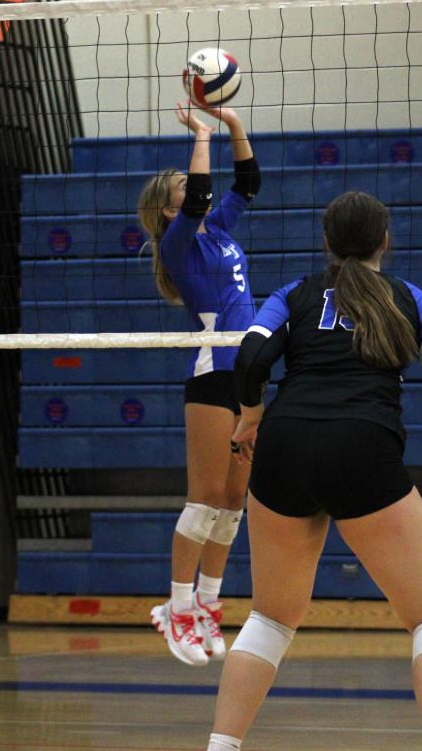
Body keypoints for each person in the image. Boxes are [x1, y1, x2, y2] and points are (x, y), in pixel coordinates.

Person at [205, 191, 422, 751]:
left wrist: (249, 419)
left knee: (269, 618)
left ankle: (221, 746)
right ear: (385, 241)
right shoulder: (412, 300)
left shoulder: (296, 294)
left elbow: (250, 360)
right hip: (362, 446)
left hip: (284, 444)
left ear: (326, 241)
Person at [138, 102, 261, 666]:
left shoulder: (220, 229)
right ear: (170, 210)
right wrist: (203, 136)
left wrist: (233, 125)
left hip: (249, 372)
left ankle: (209, 605)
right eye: (184, 188)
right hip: (214, 374)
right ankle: (177, 607)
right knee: (205, 499)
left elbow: (248, 182)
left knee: (234, 502)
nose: (196, 191)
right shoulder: (179, 243)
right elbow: (207, 190)